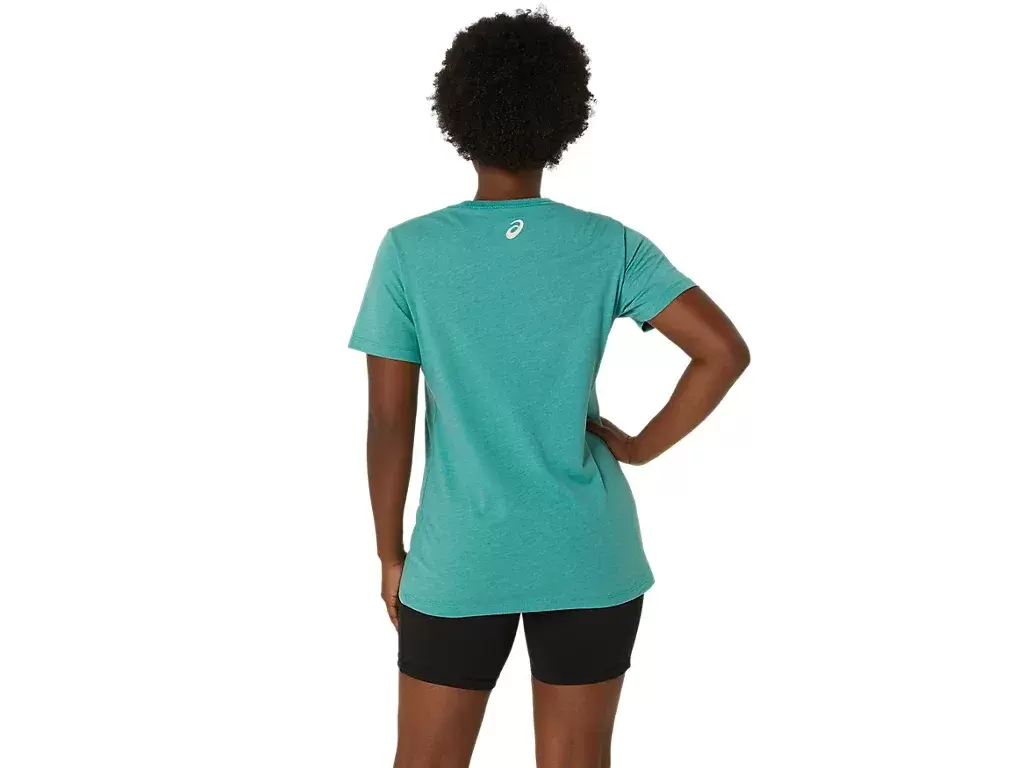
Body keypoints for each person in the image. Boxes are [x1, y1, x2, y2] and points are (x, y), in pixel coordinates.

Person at [349, 10, 749, 767]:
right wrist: (640, 448)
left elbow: (389, 421)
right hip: (589, 552)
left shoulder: (409, 251)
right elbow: (722, 352)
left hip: (460, 555)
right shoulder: (609, 244)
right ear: (565, 117)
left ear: (457, 114)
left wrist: (389, 553)